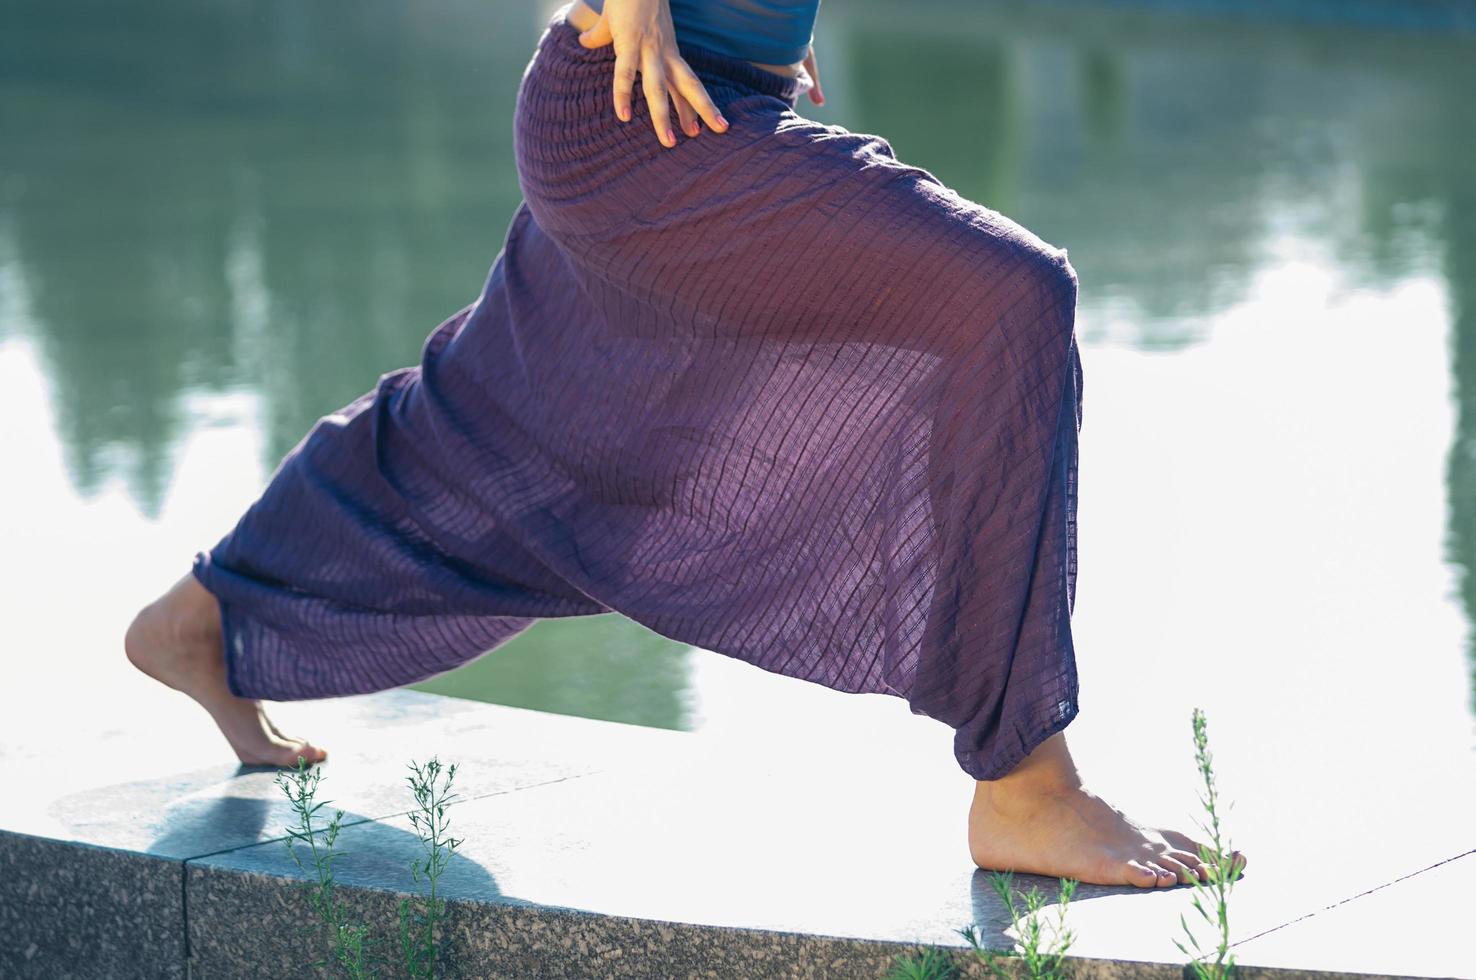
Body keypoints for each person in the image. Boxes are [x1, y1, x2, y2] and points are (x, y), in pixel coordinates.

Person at [126, 0, 1246, 889]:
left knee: (500, 426)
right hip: (642, 115)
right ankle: (1025, 782)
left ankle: (206, 616)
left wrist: (766, 36)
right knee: (1011, 296)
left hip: (684, 109)